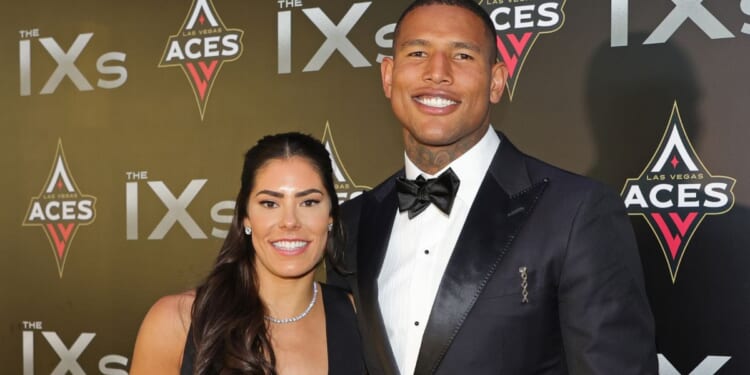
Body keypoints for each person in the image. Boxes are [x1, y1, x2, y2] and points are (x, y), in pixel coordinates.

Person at [327, 0, 658, 374]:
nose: (437, 73)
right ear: (388, 76)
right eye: (418, 52)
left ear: (496, 81)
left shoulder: (575, 214)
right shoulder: (352, 223)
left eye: (463, 55)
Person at [130, 133, 364, 374]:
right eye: (270, 204)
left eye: (309, 202)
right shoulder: (177, 321)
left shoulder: (363, 321)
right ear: (246, 218)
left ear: (331, 217)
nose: (290, 222)